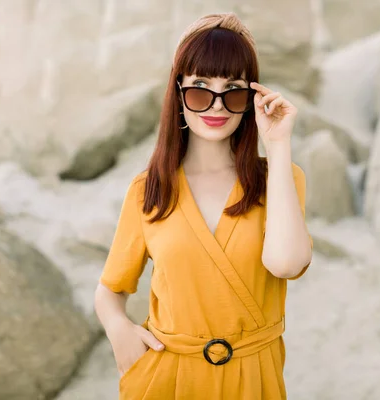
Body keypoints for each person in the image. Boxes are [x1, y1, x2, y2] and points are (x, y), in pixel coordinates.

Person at [94, 12, 313, 400]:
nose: (216, 105)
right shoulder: (148, 190)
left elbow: (288, 264)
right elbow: (110, 288)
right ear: (178, 92)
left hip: (254, 378)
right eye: (199, 87)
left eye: (233, 88)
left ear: (251, 98)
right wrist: (119, 331)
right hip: (169, 377)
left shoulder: (280, 178)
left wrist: (278, 146)